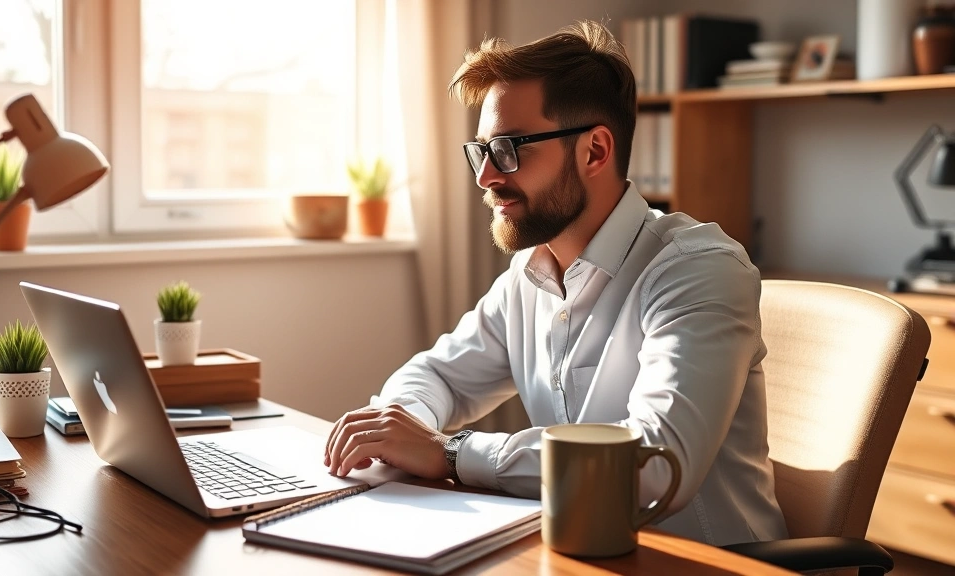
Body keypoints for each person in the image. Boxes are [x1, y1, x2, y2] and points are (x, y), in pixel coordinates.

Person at [324, 20, 787, 546]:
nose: (486, 177)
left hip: (709, 562)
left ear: (594, 151)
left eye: (509, 148)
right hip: (579, 553)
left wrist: (450, 453)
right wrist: (399, 425)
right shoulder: (530, 274)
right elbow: (440, 376)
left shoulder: (697, 269)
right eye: (481, 151)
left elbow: (656, 467)